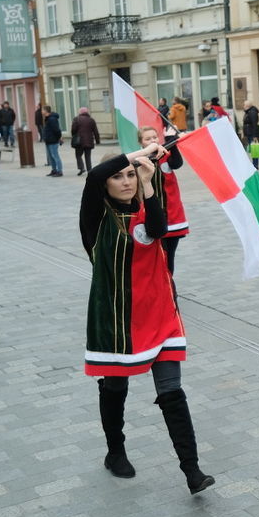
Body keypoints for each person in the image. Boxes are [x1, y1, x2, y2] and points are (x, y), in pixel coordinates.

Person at [81, 144, 214, 495]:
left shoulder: (145, 207)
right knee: (115, 388)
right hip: (117, 320)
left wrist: (149, 184)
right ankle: (115, 450)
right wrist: (140, 152)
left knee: (172, 391)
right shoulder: (95, 219)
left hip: (160, 316)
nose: (125, 181)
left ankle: (192, 471)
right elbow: (94, 174)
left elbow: (158, 228)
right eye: (117, 176)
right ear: (105, 184)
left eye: (130, 176)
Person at [138, 125, 189, 273]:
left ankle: (169, 288)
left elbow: (177, 163)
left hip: (172, 215)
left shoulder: (166, 155)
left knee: (169, 256)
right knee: (155, 257)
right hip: (150, 215)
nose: (153, 140)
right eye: (148, 138)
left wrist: (172, 143)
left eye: (155, 137)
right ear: (141, 143)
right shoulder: (139, 160)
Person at [70, 107, 101, 176]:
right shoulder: (91, 120)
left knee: (78, 155)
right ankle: (89, 170)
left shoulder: (76, 119)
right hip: (89, 141)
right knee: (88, 156)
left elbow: (73, 130)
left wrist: (74, 136)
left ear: (80, 112)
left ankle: (81, 168)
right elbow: (96, 131)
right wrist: (97, 141)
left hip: (79, 142)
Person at [41, 105, 63, 176]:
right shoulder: (47, 118)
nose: (41, 111)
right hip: (48, 140)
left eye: (42, 110)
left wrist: (59, 138)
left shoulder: (52, 119)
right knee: (51, 157)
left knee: (55, 156)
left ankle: (59, 171)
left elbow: (57, 130)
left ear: (46, 111)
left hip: (53, 140)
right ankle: (54, 170)